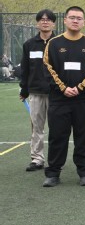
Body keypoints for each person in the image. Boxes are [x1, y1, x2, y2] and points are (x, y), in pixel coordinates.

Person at [42, 6, 85, 187]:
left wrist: (80, 87)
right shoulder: (54, 43)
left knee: (84, 137)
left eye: (79, 18)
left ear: (84, 22)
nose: (75, 21)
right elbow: (47, 67)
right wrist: (63, 88)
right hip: (59, 99)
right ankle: (53, 173)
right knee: (57, 137)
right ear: (65, 20)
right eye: (72, 17)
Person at [19, 9, 56, 172]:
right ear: (37, 23)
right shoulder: (29, 44)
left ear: (53, 23)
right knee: (36, 128)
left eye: (48, 19)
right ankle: (37, 159)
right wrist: (24, 90)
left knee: (57, 128)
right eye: (41, 19)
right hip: (35, 93)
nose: (45, 22)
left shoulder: (60, 43)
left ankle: (55, 160)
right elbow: (25, 69)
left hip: (56, 93)